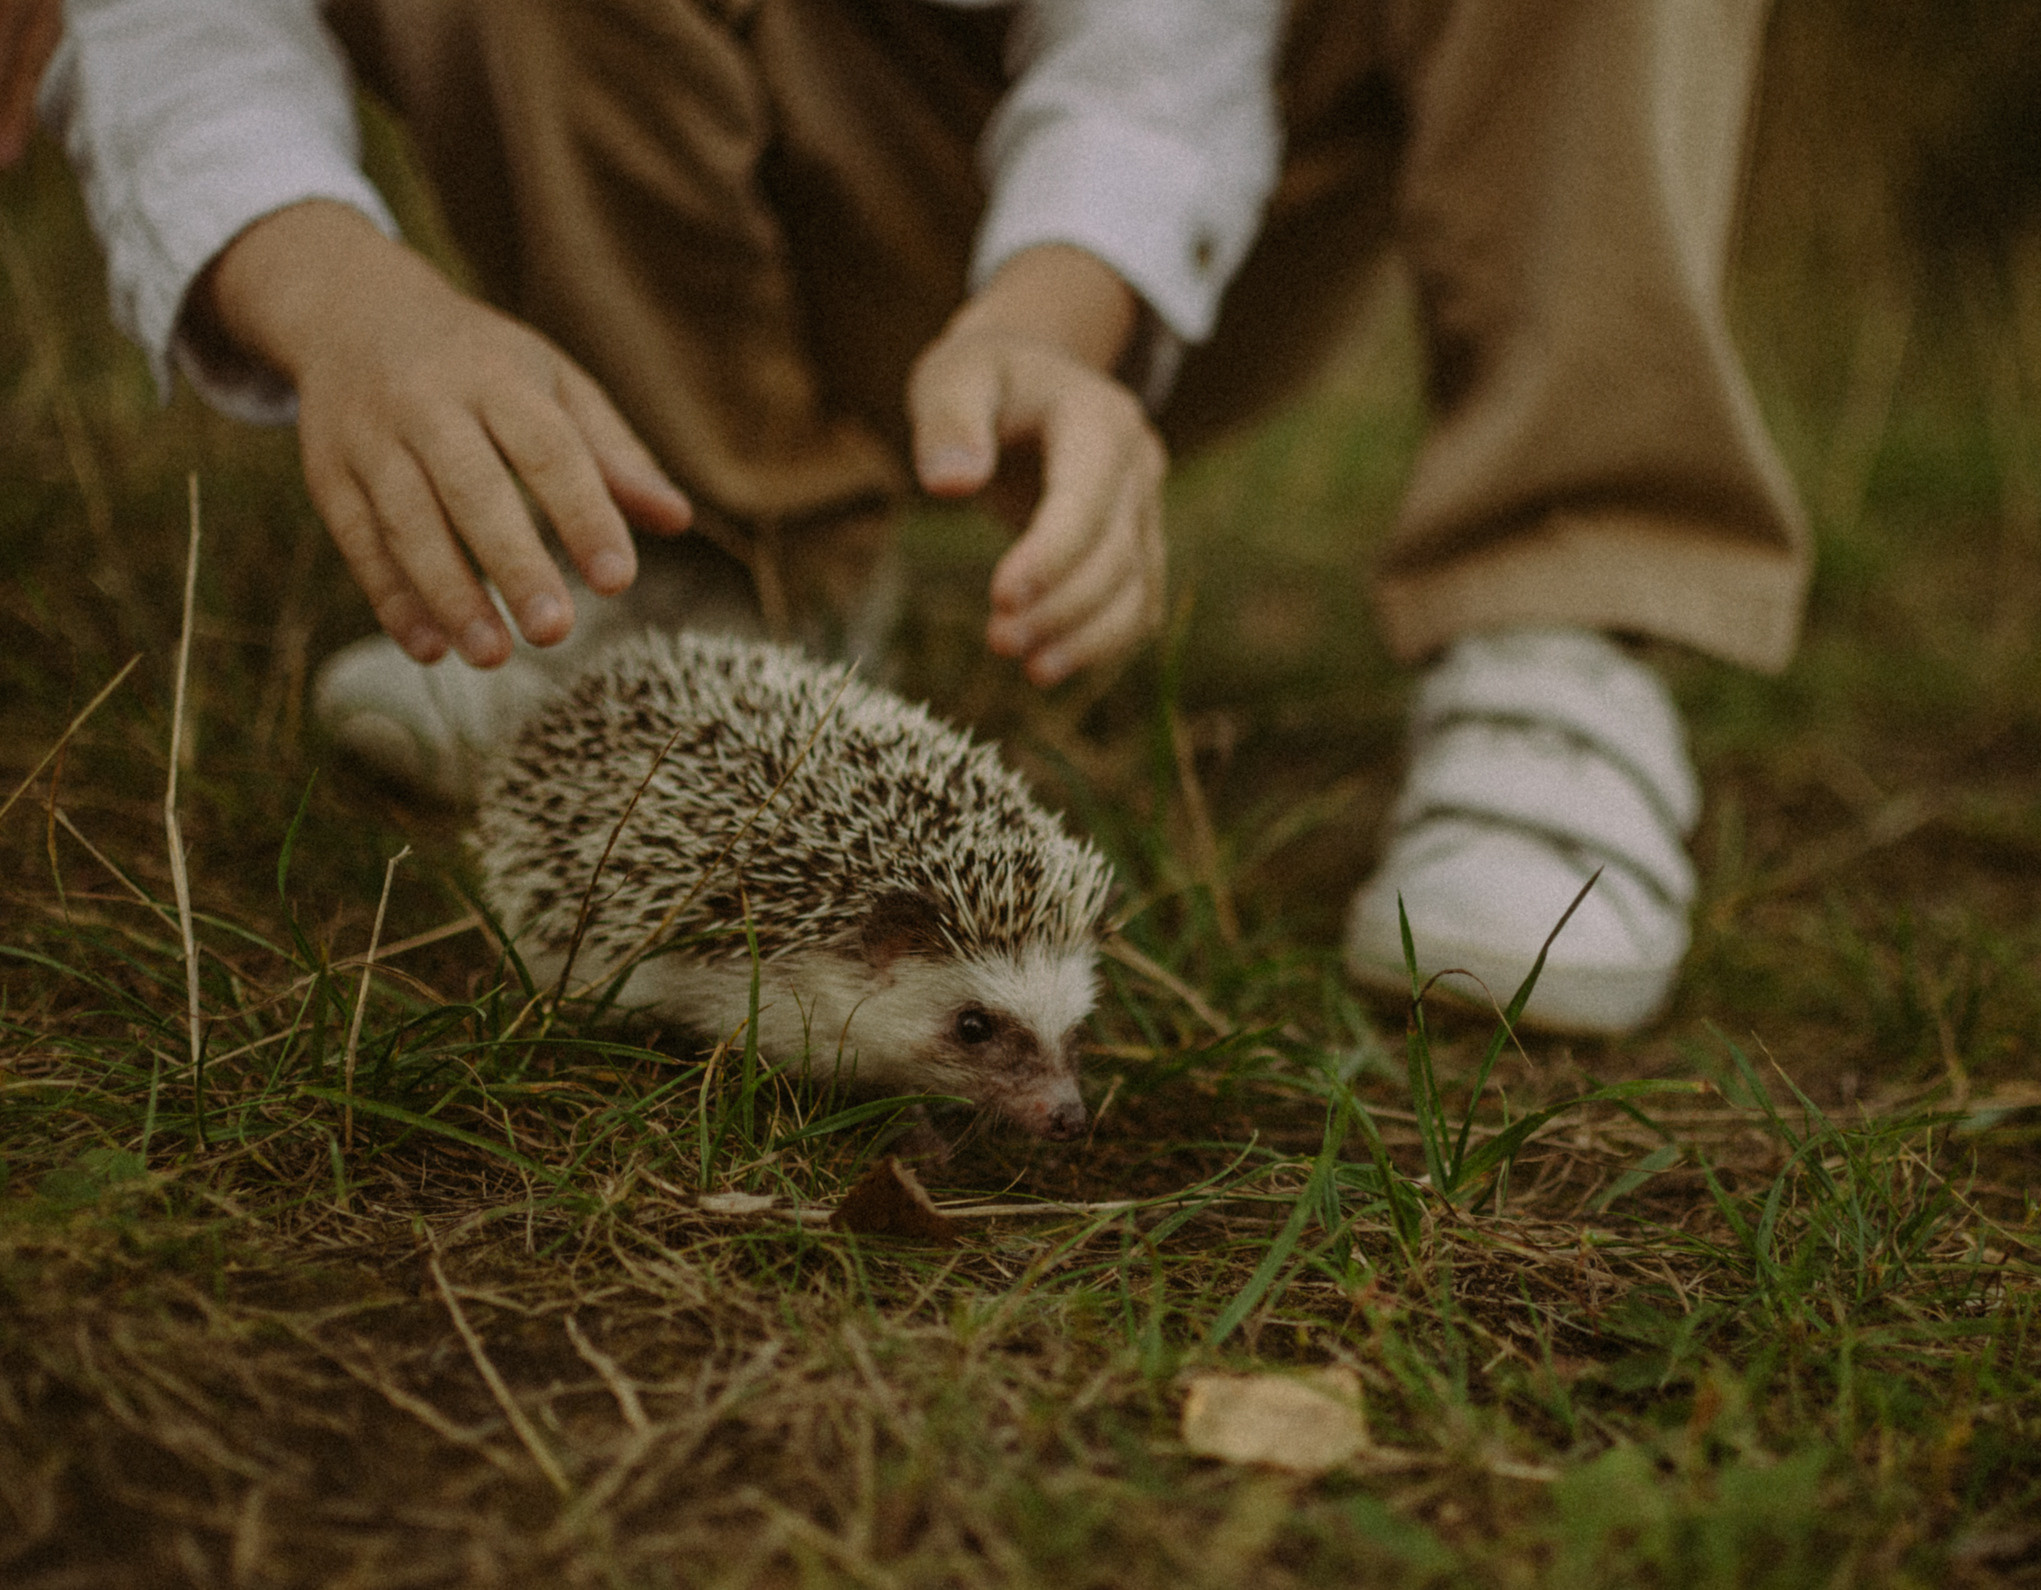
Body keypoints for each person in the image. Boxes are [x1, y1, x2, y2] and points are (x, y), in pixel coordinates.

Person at [39, 0, 1809, 1036]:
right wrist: (336, 296)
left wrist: (1056, 311)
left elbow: (1162, 40)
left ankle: (1563, 606)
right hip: (692, 139)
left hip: (1229, 177)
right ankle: (705, 562)